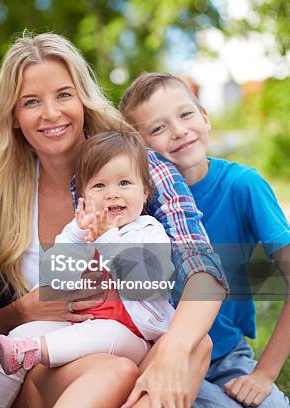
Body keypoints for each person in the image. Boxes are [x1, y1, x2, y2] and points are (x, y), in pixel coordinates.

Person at [0, 32, 227, 408]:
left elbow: (201, 266)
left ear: (83, 99)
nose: (51, 113)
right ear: (14, 116)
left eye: (64, 94)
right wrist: (25, 310)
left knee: (193, 344)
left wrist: (173, 348)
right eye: (32, 102)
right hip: (42, 367)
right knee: (112, 370)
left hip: (133, 353)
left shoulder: (137, 168)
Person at [0, 131, 176, 408]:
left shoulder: (149, 233)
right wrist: (76, 235)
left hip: (134, 337)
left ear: (145, 191)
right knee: (19, 335)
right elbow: (54, 279)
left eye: (125, 183)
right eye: (99, 186)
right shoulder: (83, 232)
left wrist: (107, 240)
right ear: (84, 195)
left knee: (104, 332)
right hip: (81, 325)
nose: (112, 193)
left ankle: (36, 351)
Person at [119, 71, 290, 407]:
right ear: (140, 147)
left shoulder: (243, 186)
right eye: (158, 128)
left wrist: (264, 374)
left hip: (228, 358)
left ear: (205, 118)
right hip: (158, 358)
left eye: (186, 115)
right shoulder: (136, 203)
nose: (179, 130)